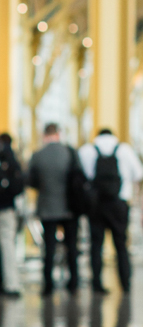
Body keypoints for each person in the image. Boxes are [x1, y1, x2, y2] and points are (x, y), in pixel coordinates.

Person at [78, 127, 143, 294]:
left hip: (95, 203)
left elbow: (79, 176)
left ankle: (97, 284)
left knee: (96, 244)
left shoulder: (86, 150)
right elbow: (139, 173)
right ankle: (125, 283)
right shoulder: (124, 150)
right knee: (121, 244)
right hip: (119, 203)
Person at [27, 123, 79, 295]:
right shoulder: (70, 153)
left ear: (44, 135)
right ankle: (73, 282)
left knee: (48, 247)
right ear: (58, 133)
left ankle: (48, 283)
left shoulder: (37, 155)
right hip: (70, 206)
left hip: (47, 207)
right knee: (71, 245)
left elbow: (30, 180)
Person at [0, 132, 24, 298]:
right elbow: (19, 186)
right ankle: (11, 283)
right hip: (7, 208)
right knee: (8, 245)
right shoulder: (12, 159)